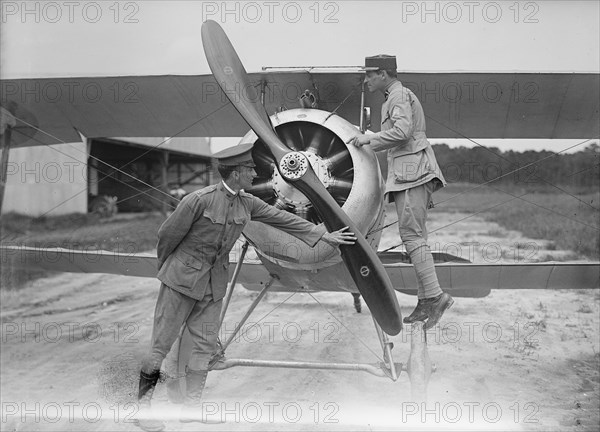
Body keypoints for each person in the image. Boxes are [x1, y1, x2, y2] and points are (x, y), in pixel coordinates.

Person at [135, 143, 356, 431]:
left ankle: (190, 408)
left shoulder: (246, 203)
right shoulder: (197, 200)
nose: (255, 173)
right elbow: (167, 236)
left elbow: (284, 219)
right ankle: (142, 412)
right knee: (160, 346)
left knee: (204, 347)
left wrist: (322, 235)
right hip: (180, 281)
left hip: (213, 286)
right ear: (236, 172)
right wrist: (171, 271)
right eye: (250, 169)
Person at [347, 54, 454, 332]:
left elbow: (403, 132)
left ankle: (435, 296)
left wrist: (369, 139)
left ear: (384, 73)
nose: (366, 79)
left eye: (370, 74)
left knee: (412, 236)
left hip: (413, 174)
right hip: (410, 174)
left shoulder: (397, 96)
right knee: (415, 237)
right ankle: (425, 300)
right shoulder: (395, 96)